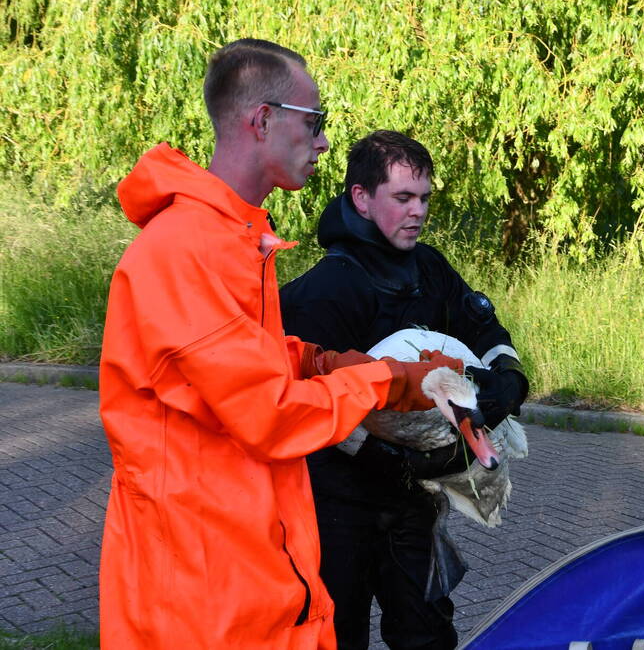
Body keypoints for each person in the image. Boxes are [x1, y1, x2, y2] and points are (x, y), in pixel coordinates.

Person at [98, 40, 461, 649]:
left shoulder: (234, 236)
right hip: (196, 589)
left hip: (245, 565)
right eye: (314, 123)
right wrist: (391, 379)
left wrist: (318, 360)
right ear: (262, 120)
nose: (323, 143)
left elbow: (232, 364)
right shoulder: (184, 249)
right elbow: (266, 411)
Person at [280, 130, 528, 650]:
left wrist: (508, 378)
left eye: (425, 198)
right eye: (403, 198)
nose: (418, 211)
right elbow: (304, 404)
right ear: (362, 199)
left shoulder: (429, 268)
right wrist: (388, 459)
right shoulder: (324, 291)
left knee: (427, 635)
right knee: (334, 637)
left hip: (412, 502)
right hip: (336, 507)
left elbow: (483, 328)